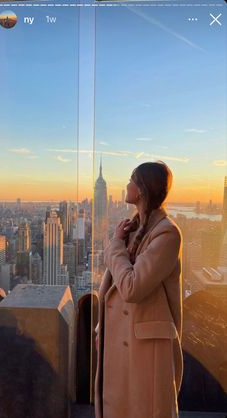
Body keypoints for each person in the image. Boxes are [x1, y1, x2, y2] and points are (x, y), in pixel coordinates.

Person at [94, 161, 183, 418]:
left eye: (131, 179)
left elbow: (132, 287)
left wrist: (115, 244)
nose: (126, 184)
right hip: (123, 340)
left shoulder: (167, 234)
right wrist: (104, 328)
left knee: (146, 409)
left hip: (147, 347)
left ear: (142, 189)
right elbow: (116, 286)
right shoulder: (133, 229)